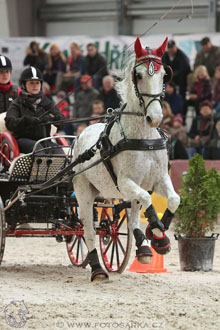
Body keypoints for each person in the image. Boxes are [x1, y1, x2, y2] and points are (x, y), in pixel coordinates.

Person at [5, 67, 65, 155]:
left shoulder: (47, 102)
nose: (35, 86)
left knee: (61, 155)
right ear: (23, 85)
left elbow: (61, 121)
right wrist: (27, 120)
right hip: (23, 140)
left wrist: (52, 119)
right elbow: (10, 122)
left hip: (44, 140)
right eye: (31, 83)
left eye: (37, 83)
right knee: (39, 151)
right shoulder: (17, 103)